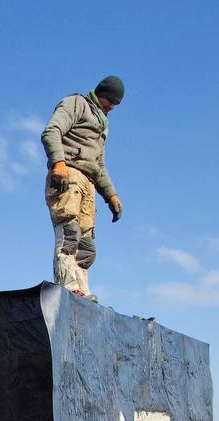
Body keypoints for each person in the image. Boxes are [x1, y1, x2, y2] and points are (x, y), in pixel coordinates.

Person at [41, 75, 125, 300]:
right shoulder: (77, 103)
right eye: (110, 101)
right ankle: (68, 287)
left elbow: (99, 165)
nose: (112, 106)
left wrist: (111, 195)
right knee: (69, 234)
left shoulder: (102, 124)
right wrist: (58, 163)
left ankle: (82, 293)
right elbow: (52, 131)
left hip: (89, 182)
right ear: (102, 94)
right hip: (68, 174)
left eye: (116, 104)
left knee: (86, 245)